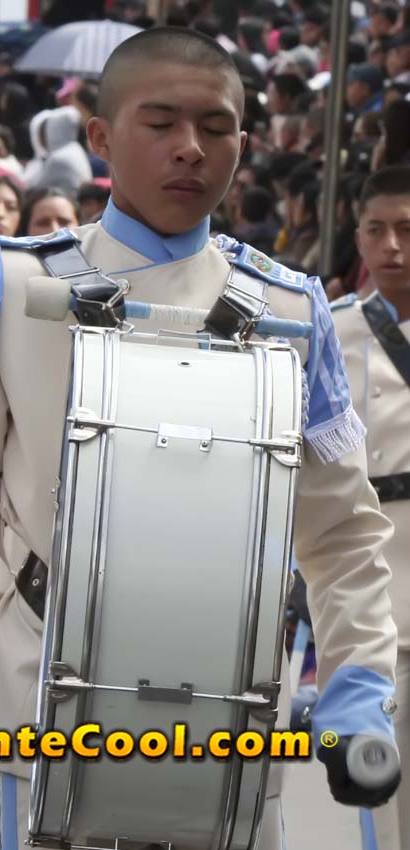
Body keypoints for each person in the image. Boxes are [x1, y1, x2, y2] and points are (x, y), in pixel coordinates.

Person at [0, 27, 400, 848]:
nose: (190, 149)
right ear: (100, 137)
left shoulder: (291, 310)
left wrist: (359, 686)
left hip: (232, 725)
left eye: (216, 126)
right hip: (44, 713)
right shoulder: (14, 286)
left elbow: (341, 533)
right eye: (160, 124)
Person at [333, 166, 410, 850]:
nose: (394, 247)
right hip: (377, 564)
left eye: (407, 231)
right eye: (377, 231)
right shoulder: (332, 334)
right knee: (386, 761)